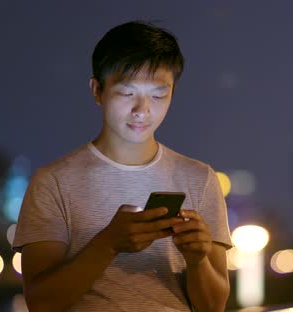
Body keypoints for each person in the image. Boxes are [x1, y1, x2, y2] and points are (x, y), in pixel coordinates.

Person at [13, 20, 232, 312]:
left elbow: (214, 307)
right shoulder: (53, 182)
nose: (142, 110)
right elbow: (41, 303)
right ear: (97, 90)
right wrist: (108, 244)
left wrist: (197, 259)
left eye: (158, 95)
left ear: (172, 94)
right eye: (127, 93)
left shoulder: (199, 179)